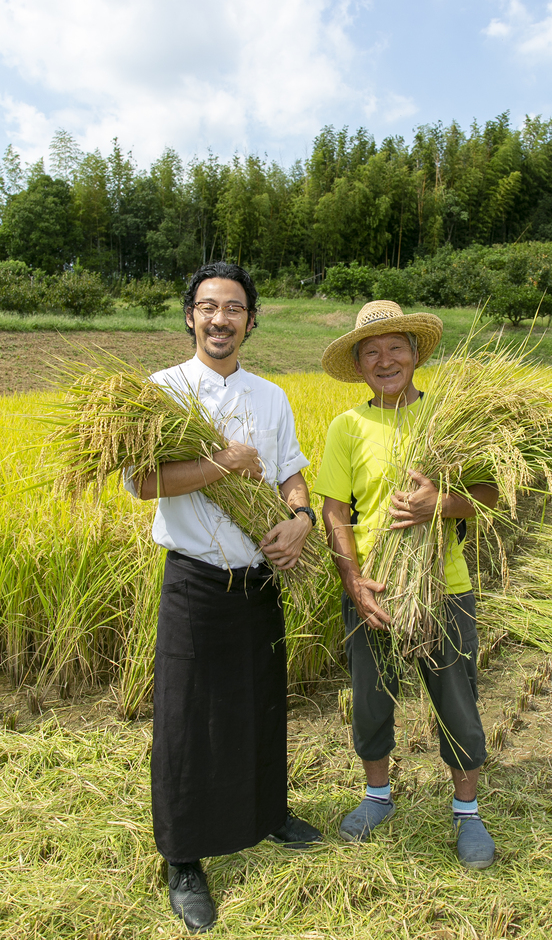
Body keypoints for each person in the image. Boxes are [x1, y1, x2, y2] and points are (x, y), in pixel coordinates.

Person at [125, 262, 322, 934]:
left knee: (261, 706)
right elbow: (143, 484)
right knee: (185, 723)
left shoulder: (271, 396)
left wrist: (298, 520)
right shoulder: (160, 392)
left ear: (250, 321)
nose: (219, 319)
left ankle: (269, 815)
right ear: (189, 316)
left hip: (259, 580)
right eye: (207, 307)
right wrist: (221, 465)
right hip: (194, 579)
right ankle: (182, 858)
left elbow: (292, 473)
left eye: (233, 308)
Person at [314, 300, 498, 869]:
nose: (385, 359)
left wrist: (437, 504)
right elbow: (333, 510)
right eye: (372, 351)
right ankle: (377, 796)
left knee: (456, 699)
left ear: (416, 355)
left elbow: (488, 496)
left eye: (396, 347)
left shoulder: (451, 416)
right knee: (370, 700)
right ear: (359, 364)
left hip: (444, 586)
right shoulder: (347, 426)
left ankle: (467, 811)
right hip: (372, 589)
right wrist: (353, 580)